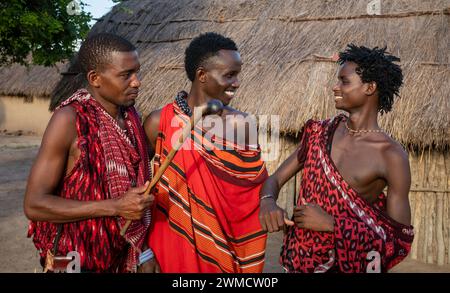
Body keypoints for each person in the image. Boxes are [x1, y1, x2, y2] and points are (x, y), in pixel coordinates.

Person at [259, 44, 414, 273]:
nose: (335, 87)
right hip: (296, 261)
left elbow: (397, 241)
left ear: (370, 88)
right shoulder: (320, 133)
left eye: (344, 81)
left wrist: (332, 225)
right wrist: (268, 201)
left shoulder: (390, 155)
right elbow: (275, 180)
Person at [24, 33, 157, 273]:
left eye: (136, 72)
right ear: (95, 78)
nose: (137, 82)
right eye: (126, 75)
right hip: (73, 260)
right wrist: (115, 207)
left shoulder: (130, 116)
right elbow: (34, 204)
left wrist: (143, 250)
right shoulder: (70, 120)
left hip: (118, 257)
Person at [143, 32, 268, 272]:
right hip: (171, 246)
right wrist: (142, 253)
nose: (237, 82)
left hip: (228, 249)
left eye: (237, 74)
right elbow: (136, 184)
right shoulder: (160, 121)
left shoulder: (242, 125)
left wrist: (269, 202)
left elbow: (253, 189)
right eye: (229, 75)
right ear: (201, 75)